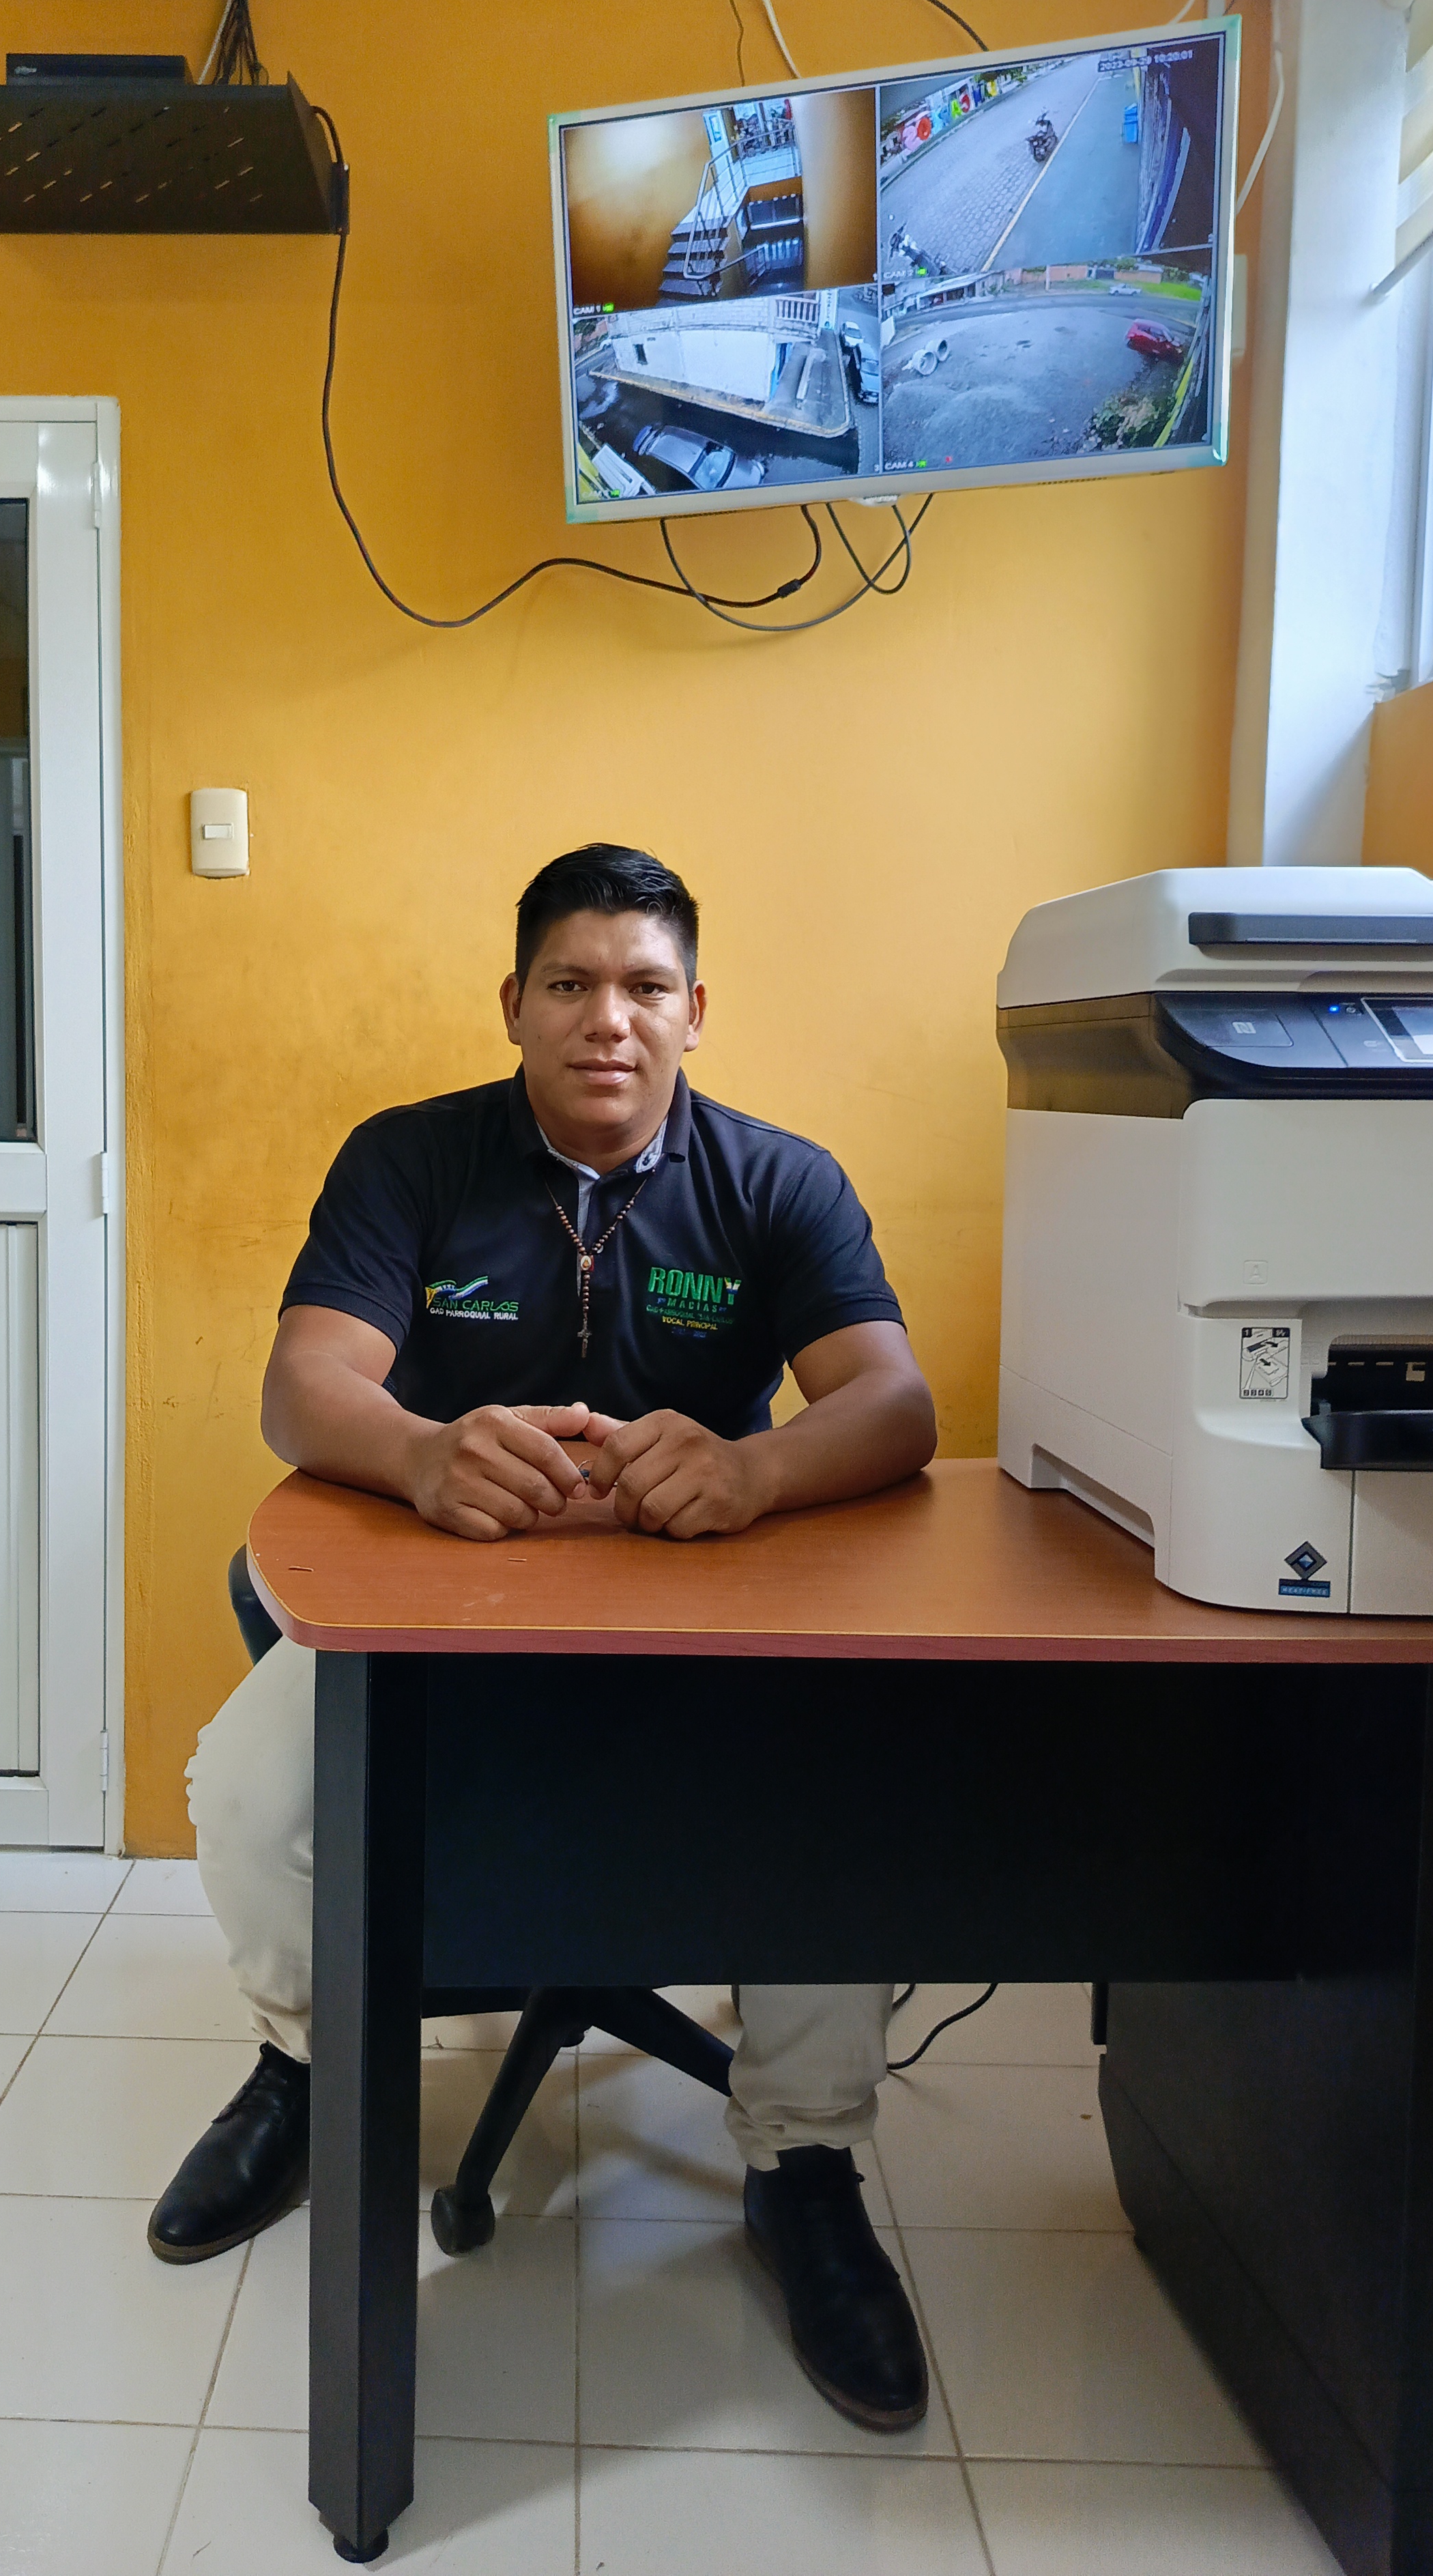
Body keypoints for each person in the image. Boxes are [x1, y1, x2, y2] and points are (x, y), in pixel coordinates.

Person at [152, 843, 939, 2432]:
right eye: (570, 984)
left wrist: (755, 1470)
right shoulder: (410, 1160)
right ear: (513, 1002)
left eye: (646, 987)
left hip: (703, 1630)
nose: (608, 1020)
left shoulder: (780, 1181)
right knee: (245, 1787)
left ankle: (803, 2161)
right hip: (440, 1609)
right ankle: (305, 2068)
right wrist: (419, 1453)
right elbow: (304, 1384)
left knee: (849, 1804)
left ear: (696, 1011)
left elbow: (895, 1402)